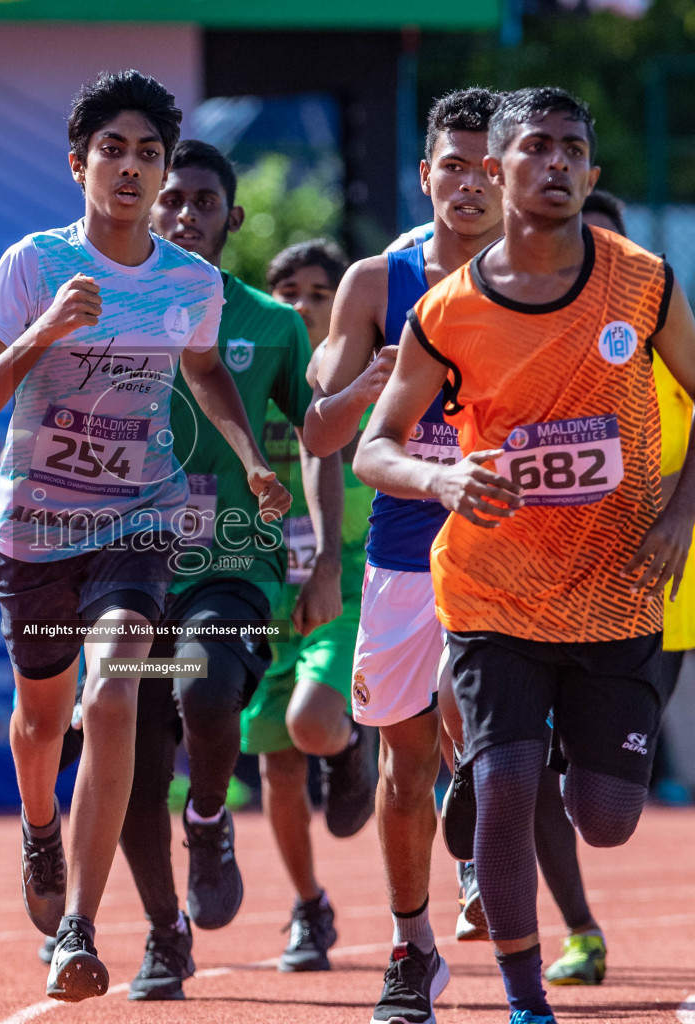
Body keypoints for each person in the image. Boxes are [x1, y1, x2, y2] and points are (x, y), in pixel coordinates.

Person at [352, 87, 695, 1024]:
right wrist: (442, 482)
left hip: (614, 595)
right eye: (537, 148)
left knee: (604, 819)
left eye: (573, 150)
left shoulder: (643, 282)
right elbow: (373, 446)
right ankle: (527, 1004)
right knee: (510, 787)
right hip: (494, 593)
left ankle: (529, 751)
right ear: (497, 169)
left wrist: (680, 513)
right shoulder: (447, 310)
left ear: (592, 173)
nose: (556, 164)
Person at [0, 70, 288, 1003]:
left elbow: (207, 368)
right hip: (36, 529)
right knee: (40, 724)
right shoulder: (33, 266)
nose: (133, 170)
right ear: (79, 166)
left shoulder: (191, 280)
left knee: (115, 697)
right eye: (114, 152)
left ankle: (79, 930)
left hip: (140, 518)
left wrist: (250, 456)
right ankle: (37, 826)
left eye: (150, 154)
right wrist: (44, 334)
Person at [439, 189, 695, 988]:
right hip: (522, 594)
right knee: (523, 769)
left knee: (605, 804)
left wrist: (672, 500)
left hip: (646, 598)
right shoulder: (513, 329)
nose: (592, 266)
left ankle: (506, 766)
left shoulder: (657, 322)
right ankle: (573, 925)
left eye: (606, 249)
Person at [111, 141, 335, 1002]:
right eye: (169, 200)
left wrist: (320, 556)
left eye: (202, 201)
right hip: (126, 569)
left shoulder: (271, 325)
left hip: (233, 566)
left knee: (205, 690)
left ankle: (207, 819)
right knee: (130, 748)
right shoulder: (106, 308)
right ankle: (165, 935)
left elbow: (318, 437)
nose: (182, 216)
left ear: (230, 217)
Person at [307, 87, 504, 1024]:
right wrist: (367, 385)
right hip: (401, 545)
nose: (469, 185)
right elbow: (318, 429)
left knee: (491, 730)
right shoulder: (374, 284)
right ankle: (410, 944)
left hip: (512, 538)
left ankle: (480, 823)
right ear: (425, 176)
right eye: (452, 168)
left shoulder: (551, 279)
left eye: (486, 168)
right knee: (403, 755)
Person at [242, 237, 375, 975]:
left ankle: (353, 746)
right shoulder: (246, 379)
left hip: (346, 580)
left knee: (313, 726)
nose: (302, 304)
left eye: (319, 291)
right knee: (277, 772)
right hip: (263, 589)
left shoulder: (371, 380)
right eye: (287, 290)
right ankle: (308, 905)